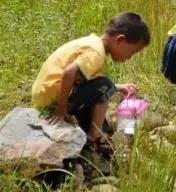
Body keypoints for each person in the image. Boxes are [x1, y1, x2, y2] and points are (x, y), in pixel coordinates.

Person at [31, 12, 150, 150]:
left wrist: (118, 87)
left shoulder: (92, 43)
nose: (130, 57)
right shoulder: (96, 53)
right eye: (132, 52)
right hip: (53, 99)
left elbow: (86, 81)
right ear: (120, 40)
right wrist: (61, 108)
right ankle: (94, 136)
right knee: (105, 85)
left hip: (45, 94)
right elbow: (69, 73)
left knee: (104, 91)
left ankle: (95, 129)